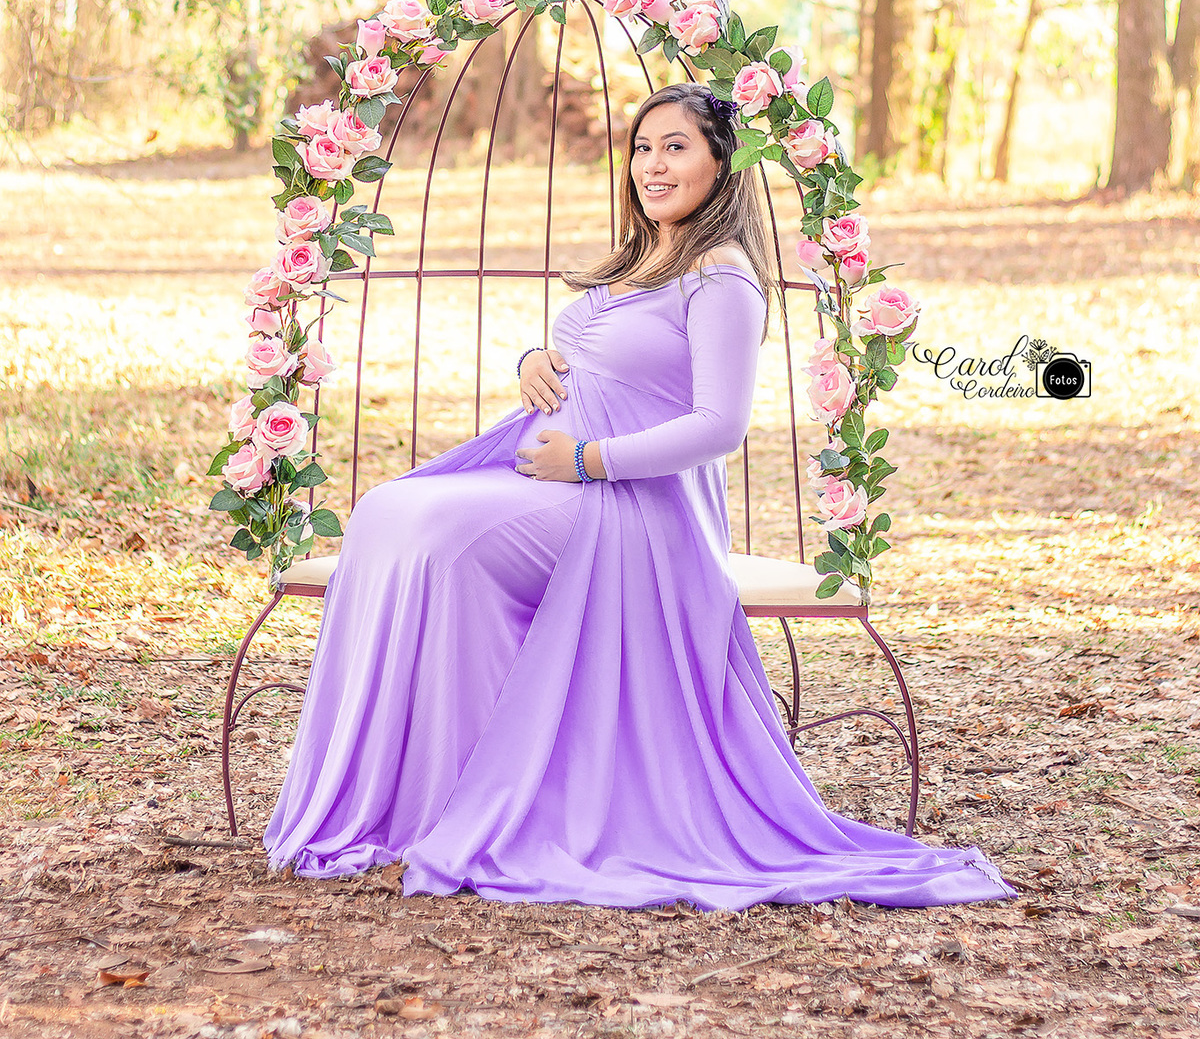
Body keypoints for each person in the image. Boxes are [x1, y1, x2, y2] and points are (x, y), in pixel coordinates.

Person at [263, 82, 1013, 910]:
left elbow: (718, 427)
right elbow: (597, 356)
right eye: (643, 148)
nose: (653, 165)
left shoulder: (722, 279)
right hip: (556, 481)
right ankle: (417, 798)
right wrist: (531, 361)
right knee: (387, 512)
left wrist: (591, 459)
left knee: (446, 539)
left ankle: (473, 802)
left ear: (722, 163)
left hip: (628, 510)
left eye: (676, 147)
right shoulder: (638, 261)